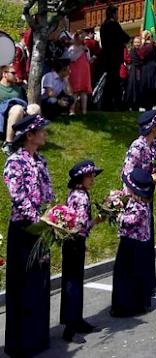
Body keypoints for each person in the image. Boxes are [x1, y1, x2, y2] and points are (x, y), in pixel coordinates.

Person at [3, 114, 54, 357]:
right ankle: (20, 342)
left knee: (39, 282)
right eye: (41, 131)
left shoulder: (40, 160)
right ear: (29, 136)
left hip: (41, 228)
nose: (45, 134)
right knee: (22, 284)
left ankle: (38, 336)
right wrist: (37, 219)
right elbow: (18, 196)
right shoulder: (15, 162)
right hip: (24, 229)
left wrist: (54, 216)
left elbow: (48, 191)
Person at [122, 110, 156, 298]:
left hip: (147, 196)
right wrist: (148, 181)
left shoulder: (154, 145)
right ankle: (137, 286)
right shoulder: (137, 147)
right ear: (153, 128)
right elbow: (127, 173)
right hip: (136, 199)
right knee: (138, 243)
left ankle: (147, 284)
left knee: (148, 241)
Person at [62, 160, 103, 343]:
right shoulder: (81, 197)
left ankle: (76, 320)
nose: (92, 179)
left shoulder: (78, 194)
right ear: (81, 178)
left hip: (74, 241)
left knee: (76, 280)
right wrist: (97, 220)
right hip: (74, 241)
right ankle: (70, 328)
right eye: (90, 176)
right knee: (73, 283)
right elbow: (79, 224)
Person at [111, 168, 156, 318]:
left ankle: (128, 305)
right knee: (132, 273)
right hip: (135, 243)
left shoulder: (140, 207)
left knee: (127, 274)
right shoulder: (135, 202)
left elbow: (130, 221)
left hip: (133, 244)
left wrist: (118, 215)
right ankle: (136, 302)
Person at [100, 5, 130, 110]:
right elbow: (126, 37)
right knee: (113, 81)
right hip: (114, 57)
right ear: (113, 14)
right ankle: (111, 103)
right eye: (117, 13)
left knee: (112, 80)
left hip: (106, 57)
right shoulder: (114, 25)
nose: (118, 16)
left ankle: (111, 103)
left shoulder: (103, 26)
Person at [1, 65, 27, 154]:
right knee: (17, 108)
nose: (16, 75)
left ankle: (29, 140)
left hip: (17, 114)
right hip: (3, 116)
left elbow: (22, 103)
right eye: (13, 73)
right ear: (4, 74)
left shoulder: (17, 89)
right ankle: (8, 143)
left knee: (35, 108)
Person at [68, 31, 93, 115]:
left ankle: (84, 111)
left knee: (84, 91)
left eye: (82, 38)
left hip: (84, 71)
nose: (81, 39)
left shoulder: (86, 48)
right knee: (75, 91)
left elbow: (89, 59)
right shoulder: (71, 48)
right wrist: (80, 50)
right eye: (79, 37)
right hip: (75, 70)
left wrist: (92, 58)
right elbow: (72, 59)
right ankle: (72, 110)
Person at [138, 31, 156, 110]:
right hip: (151, 70)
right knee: (151, 88)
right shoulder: (152, 47)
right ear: (150, 37)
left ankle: (146, 105)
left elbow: (140, 58)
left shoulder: (142, 47)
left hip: (144, 70)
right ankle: (150, 105)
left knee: (146, 88)